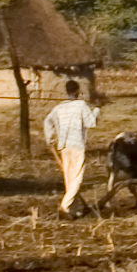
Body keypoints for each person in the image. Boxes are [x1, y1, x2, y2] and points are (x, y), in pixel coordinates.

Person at [41, 73, 105, 213]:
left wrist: (50, 139)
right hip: (76, 146)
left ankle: (73, 209)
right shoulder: (81, 105)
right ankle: (64, 206)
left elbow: (47, 122)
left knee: (69, 179)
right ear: (77, 91)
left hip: (64, 147)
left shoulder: (59, 108)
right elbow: (91, 123)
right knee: (77, 179)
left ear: (66, 91)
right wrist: (97, 109)